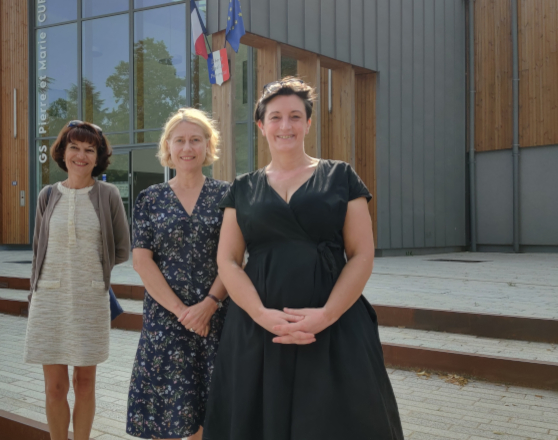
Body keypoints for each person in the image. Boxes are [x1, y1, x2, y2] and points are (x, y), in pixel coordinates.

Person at [203, 77, 404, 439]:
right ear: (261, 125)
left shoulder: (340, 176)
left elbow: (361, 254)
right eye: (276, 117)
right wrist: (262, 315)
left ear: (308, 124)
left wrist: (326, 315)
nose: (286, 126)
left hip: (334, 325)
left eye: (295, 116)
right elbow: (228, 261)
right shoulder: (242, 187)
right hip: (258, 328)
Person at [126, 108, 230, 440]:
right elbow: (142, 261)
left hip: (214, 318)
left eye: (195, 140)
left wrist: (208, 305)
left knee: (208, 410)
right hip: (165, 320)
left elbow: (235, 258)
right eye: (180, 140)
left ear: (208, 145)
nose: (187, 147)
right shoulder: (149, 199)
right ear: (168, 146)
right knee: (165, 414)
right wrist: (182, 312)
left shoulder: (229, 196)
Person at [24, 120, 130, 440]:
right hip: (49, 300)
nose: (81, 155)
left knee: (85, 384)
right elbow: (38, 249)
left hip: (89, 300)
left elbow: (122, 248)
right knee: (55, 388)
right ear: (63, 152)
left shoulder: (108, 194)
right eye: (74, 147)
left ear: (98, 158)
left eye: (89, 150)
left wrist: (92, 277)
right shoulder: (47, 195)